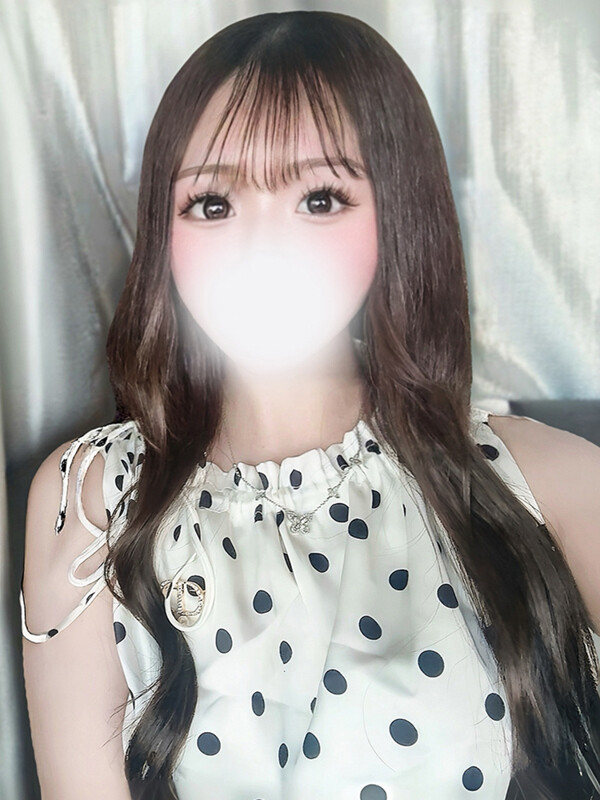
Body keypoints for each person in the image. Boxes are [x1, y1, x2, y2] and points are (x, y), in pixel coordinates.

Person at [19, 9, 600, 800]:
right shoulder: (90, 499)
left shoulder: (540, 479)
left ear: (398, 213)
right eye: (213, 203)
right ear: (164, 230)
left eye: (321, 198)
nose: (264, 247)